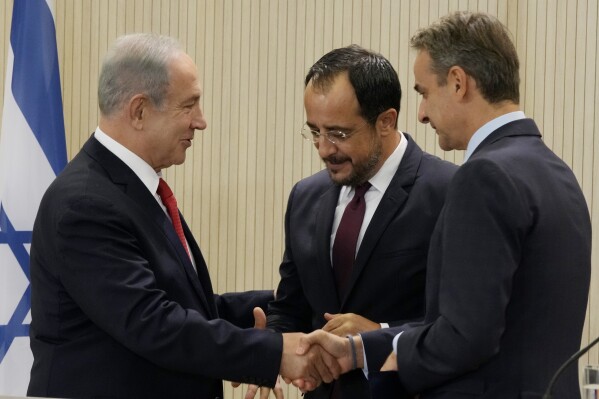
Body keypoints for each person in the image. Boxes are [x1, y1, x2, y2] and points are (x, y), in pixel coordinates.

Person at [27, 33, 340, 399]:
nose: (200, 121)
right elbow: (154, 323)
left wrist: (287, 305)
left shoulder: (131, 188)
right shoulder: (84, 204)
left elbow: (187, 305)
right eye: (188, 106)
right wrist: (275, 354)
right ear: (139, 110)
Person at [298, 11, 592, 399]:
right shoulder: (556, 171)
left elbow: (465, 336)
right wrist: (359, 350)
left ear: (457, 82)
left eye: (423, 92)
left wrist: (379, 351)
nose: (420, 114)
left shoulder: (483, 177)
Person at [249, 45, 457, 399]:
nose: (323, 148)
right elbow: (291, 306)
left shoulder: (449, 192)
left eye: (339, 133)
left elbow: (462, 326)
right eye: (315, 131)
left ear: (386, 121)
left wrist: (378, 334)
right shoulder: (305, 197)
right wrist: (269, 351)